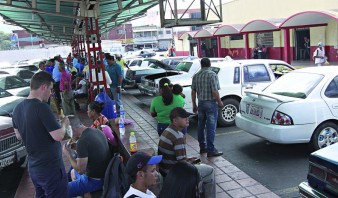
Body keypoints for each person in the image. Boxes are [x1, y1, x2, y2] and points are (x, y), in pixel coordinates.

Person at [12, 71, 69, 197]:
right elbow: (59, 136)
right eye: (50, 89)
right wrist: (64, 123)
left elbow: (19, 136)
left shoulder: (17, 109)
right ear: (43, 87)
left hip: (34, 168)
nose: (51, 93)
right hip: (50, 168)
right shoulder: (42, 107)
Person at [157, 107, 216, 198]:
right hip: (174, 173)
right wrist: (191, 163)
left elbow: (179, 159)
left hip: (165, 170)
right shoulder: (178, 136)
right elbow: (182, 164)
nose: (187, 119)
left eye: (187, 117)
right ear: (175, 121)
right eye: (184, 118)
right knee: (210, 171)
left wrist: (188, 160)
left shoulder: (167, 130)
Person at [63, 115, 111, 197]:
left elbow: (80, 170)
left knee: (61, 191)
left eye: (66, 133)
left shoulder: (82, 141)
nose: (67, 136)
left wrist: (67, 153)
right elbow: (91, 152)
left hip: (96, 180)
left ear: (71, 130)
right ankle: (82, 193)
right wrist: (76, 148)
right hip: (105, 175)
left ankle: (83, 192)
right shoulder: (96, 131)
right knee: (72, 172)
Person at [191, 57, 224, 157]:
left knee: (201, 126)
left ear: (201, 65)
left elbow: (193, 92)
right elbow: (215, 91)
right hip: (210, 103)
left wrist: (194, 104)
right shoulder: (212, 75)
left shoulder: (196, 76)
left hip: (201, 103)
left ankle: (202, 147)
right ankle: (211, 150)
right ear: (210, 65)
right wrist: (220, 102)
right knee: (211, 127)